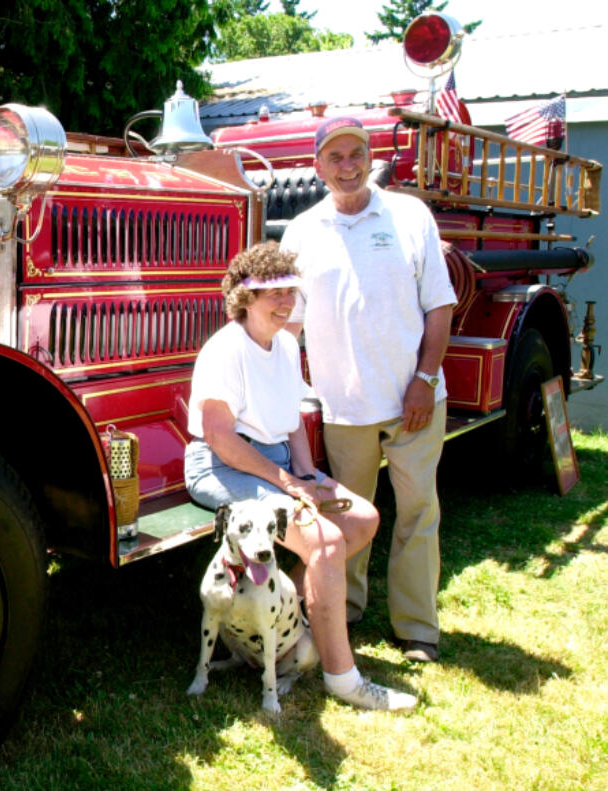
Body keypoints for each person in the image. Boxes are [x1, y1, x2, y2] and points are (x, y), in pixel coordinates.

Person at [185, 241, 416, 712]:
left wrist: (309, 474)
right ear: (244, 298)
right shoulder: (224, 349)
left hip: (274, 465)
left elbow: (292, 421)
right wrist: (286, 482)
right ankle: (343, 680)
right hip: (222, 465)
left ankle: (282, 615)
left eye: (290, 290)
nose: (286, 301)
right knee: (326, 542)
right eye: (274, 293)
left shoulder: (287, 343)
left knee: (364, 519)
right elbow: (219, 437)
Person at [281, 117, 457, 664]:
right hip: (343, 407)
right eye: (334, 158)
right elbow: (290, 323)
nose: (347, 166)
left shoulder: (409, 216)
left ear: (371, 156)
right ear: (318, 167)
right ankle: (344, 610)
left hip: (415, 400)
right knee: (345, 518)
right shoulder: (302, 231)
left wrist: (425, 381)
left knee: (417, 512)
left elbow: (440, 304)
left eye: (356, 153)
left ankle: (417, 629)